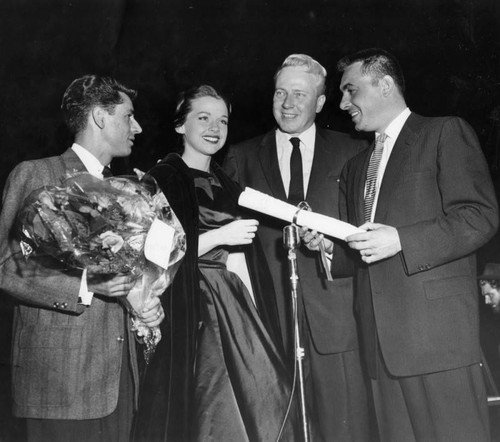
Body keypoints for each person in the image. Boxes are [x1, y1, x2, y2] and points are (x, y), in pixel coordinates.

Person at [337, 48, 498, 441]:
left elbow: (479, 216)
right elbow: (362, 249)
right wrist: (329, 248)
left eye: (350, 90)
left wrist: (401, 239)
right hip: (380, 350)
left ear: (385, 85)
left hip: (437, 341)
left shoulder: (444, 132)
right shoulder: (356, 166)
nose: (343, 103)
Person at [0, 74, 164, 442]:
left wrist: (143, 304)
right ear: (100, 117)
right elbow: (7, 267)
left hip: (120, 381)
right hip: (60, 382)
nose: (137, 127)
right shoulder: (36, 174)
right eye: (129, 116)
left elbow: (124, 274)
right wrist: (88, 285)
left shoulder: (125, 189)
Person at [132, 85, 297, 441]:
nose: (214, 128)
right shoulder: (161, 179)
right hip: (189, 302)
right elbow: (155, 255)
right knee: (208, 402)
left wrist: (255, 310)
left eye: (222, 121)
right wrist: (221, 236)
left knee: (264, 392)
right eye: (203, 118)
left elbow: (239, 258)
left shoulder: (227, 184)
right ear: (180, 125)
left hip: (232, 300)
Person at [223, 54, 371, 441]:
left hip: (337, 322)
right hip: (271, 323)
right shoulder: (241, 156)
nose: (287, 103)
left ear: (320, 103)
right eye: (280, 93)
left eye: (299, 95)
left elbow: (366, 232)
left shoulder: (354, 151)